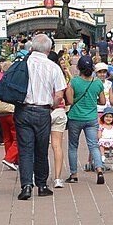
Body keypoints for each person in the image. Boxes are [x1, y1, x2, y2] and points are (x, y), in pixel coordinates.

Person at [15, 34, 67, 200]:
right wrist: (51, 105)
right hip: (43, 110)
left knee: (25, 149)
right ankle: (42, 184)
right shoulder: (53, 67)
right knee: (41, 149)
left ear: (31, 48)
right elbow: (59, 94)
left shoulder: (22, 64)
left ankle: (26, 185)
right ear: (50, 49)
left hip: (23, 109)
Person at [65, 54, 107, 185]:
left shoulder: (74, 82)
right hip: (91, 117)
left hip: (75, 117)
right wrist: (92, 100)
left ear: (79, 68)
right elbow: (102, 101)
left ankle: (74, 174)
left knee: (73, 146)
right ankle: (99, 169)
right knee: (93, 144)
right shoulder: (97, 82)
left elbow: (70, 101)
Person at [49, 48, 71, 189]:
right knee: (57, 145)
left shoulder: (41, 74)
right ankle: (57, 178)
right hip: (59, 111)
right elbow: (69, 99)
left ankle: (39, 175)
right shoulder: (60, 76)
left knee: (40, 146)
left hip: (44, 111)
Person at [0, 59, 19, 171]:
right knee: (17, 137)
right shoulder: (13, 80)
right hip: (11, 111)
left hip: (1, 112)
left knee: (7, 137)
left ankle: (12, 159)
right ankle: (10, 158)